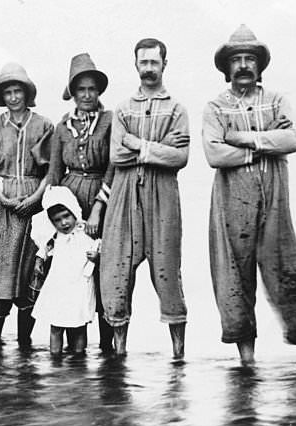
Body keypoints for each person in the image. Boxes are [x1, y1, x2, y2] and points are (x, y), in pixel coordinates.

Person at [202, 25, 296, 366]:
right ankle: (247, 366)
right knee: (235, 277)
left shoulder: (277, 100)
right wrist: (261, 150)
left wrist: (245, 138)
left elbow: (292, 140)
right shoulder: (215, 106)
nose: (242, 66)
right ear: (226, 67)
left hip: (274, 200)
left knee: (287, 272)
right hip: (231, 203)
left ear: (260, 65)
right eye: (236, 59)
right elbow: (214, 154)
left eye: (249, 59)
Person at [103, 38, 189, 359]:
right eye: (144, 63)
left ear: (165, 64)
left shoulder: (177, 109)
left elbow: (179, 157)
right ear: (135, 65)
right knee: (117, 271)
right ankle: (120, 351)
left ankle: (178, 355)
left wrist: (137, 145)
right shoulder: (123, 108)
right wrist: (157, 149)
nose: (149, 69)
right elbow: (116, 155)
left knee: (167, 272)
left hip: (164, 195)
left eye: (154, 62)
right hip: (125, 193)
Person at [0, 63, 53, 350]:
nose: (13, 97)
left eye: (17, 90)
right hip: (3, 202)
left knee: (31, 270)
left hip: (35, 201)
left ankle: (25, 344)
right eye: (7, 92)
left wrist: (35, 199)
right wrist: (3, 198)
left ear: (26, 92)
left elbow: (51, 171)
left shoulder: (43, 125)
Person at [46, 53, 116, 353]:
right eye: (80, 90)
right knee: (72, 274)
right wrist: (53, 212)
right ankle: (76, 346)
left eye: (91, 89)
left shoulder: (110, 121)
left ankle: (107, 348)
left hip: (104, 197)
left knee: (103, 269)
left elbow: (115, 164)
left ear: (98, 91)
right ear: (72, 93)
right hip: (71, 201)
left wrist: (100, 206)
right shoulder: (62, 128)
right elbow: (53, 173)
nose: (87, 95)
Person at [29, 187, 99, 356]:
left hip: (80, 285)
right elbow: (44, 249)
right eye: (57, 220)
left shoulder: (86, 231)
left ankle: (78, 357)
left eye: (66, 216)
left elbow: (99, 247)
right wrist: (39, 260)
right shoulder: (54, 236)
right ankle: (55, 357)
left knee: (79, 325)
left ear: (74, 212)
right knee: (56, 324)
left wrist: (96, 256)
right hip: (59, 285)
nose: (64, 223)